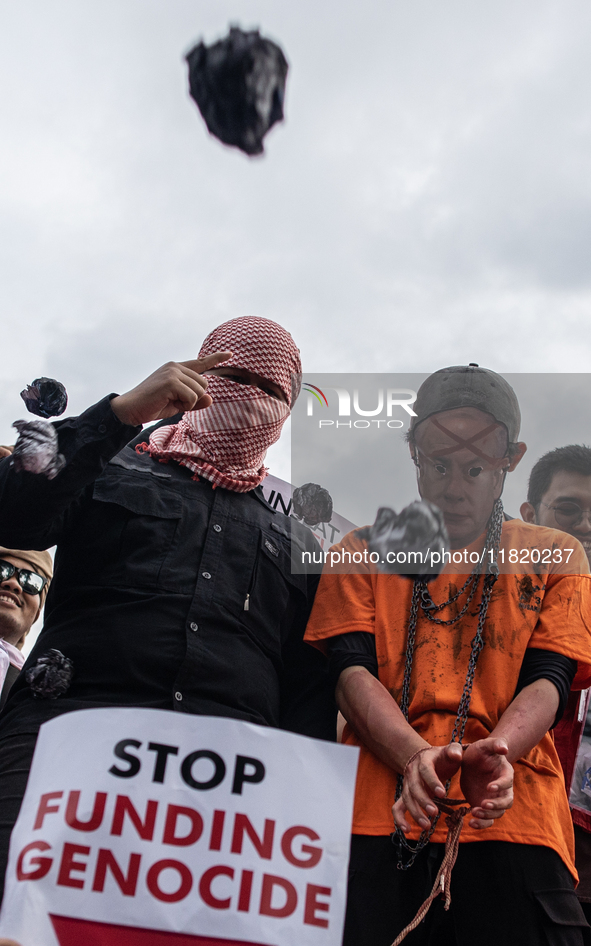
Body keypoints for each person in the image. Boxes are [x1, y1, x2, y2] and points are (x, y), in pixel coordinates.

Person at [0, 316, 335, 901]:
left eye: (272, 393)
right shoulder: (109, 464)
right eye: (233, 378)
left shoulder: (300, 543)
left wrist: (298, 810)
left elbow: (309, 687)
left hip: (222, 795)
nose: (251, 400)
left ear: (285, 416)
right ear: (192, 376)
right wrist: (120, 414)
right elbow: (16, 514)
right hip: (64, 749)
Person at [305, 365, 591, 946]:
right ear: (414, 453)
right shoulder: (362, 549)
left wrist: (500, 749)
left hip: (515, 818)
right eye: (438, 466)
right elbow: (349, 670)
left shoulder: (557, 554)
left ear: (510, 458)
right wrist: (414, 756)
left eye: (475, 468)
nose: (454, 487)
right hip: (375, 820)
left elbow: (552, 677)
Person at [521, 445, 591, 928]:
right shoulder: (485, 605)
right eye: (569, 508)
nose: (587, 524)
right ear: (529, 514)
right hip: (523, 844)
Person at [0, 548, 52, 709]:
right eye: (1, 570)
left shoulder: (37, 696)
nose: (13, 584)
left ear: (38, 612)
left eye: (31, 581)